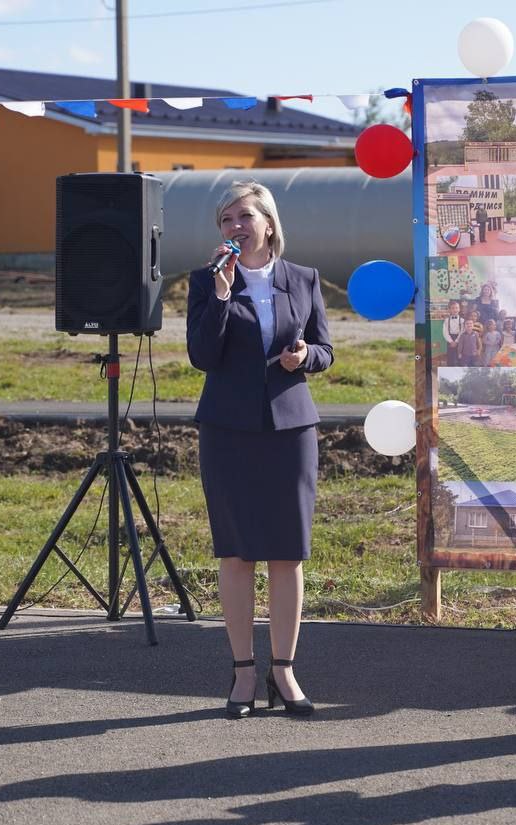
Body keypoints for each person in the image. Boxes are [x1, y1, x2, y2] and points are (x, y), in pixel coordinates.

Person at [186, 180, 333, 718]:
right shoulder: (206, 283)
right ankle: (243, 673)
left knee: (287, 552)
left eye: (243, 217)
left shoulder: (303, 279)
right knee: (237, 551)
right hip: (228, 429)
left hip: (291, 430)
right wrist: (222, 295)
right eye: (225, 221)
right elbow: (203, 355)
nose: (234, 228)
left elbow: (325, 348)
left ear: (268, 224)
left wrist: (305, 359)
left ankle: (285, 670)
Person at [442, 300, 465, 366]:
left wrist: (457, 341)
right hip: (450, 339)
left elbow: (462, 332)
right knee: (450, 357)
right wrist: (451, 341)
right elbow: (445, 332)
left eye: (457, 307)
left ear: (459, 309)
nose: (455, 309)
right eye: (453, 308)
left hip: (460, 339)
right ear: (449, 309)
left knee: (459, 356)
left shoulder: (462, 320)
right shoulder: (446, 320)